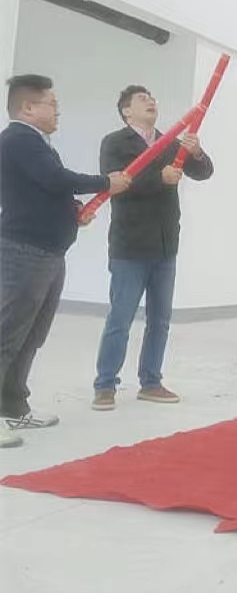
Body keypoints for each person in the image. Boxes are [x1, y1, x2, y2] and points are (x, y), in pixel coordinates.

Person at [0, 75, 130, 447]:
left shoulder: (35, 143)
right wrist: (106, 182)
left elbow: (44, 190)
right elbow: (56, 179)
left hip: (48, 252)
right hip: (25, 251)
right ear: (28, 107)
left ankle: (12, 405)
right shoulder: (19, 139)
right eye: (52, 105)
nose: (58, 112)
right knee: (8, 333)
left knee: (31, 335)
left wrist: (72, 210)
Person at [91, 85, 214, 411]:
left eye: (152, 98)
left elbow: (203, 173)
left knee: (160, 320)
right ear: (126, 111)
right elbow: (116, 183)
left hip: (165, 244)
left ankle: (151, 382)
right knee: (120, 318)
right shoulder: (115, 142)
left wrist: (197, 153)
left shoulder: (170, 141)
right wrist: (161, 178)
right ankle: (105, 385)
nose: (151, 102)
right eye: (142, 99)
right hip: (130, 245)